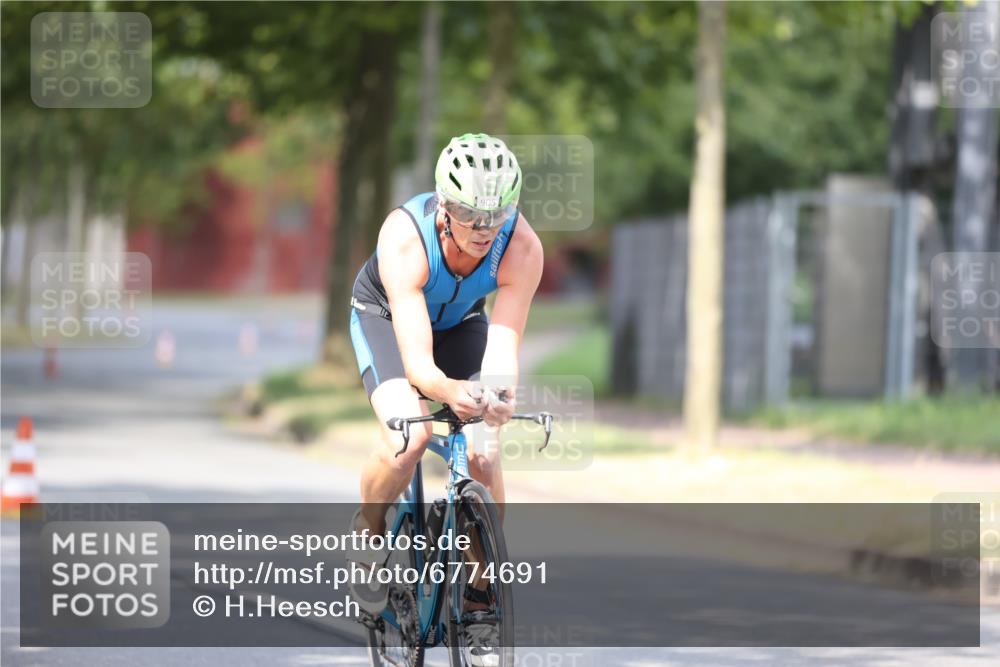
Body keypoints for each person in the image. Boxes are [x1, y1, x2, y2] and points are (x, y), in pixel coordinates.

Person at [348, 132, 543, 663]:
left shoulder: (522, 247)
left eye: (497, 214)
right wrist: (452, 393)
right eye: (470, 215)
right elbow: (418, 367)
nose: (484, 229)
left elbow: (503, 345)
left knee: (484, 452)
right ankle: (368, 535)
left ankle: (481, 601)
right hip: (387, 318)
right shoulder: (405, 237)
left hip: (461, 324)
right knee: (408, 434)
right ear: (443, 205)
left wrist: (497, 399)